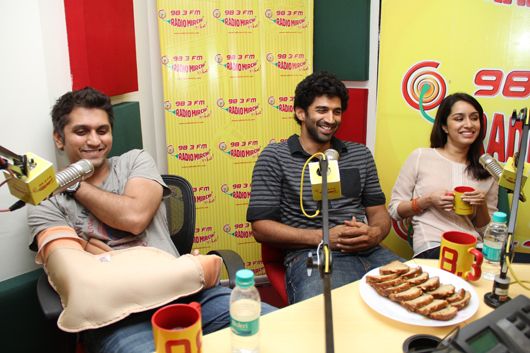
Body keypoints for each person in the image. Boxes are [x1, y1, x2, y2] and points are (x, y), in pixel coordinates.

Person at [27, 87, 275, 353]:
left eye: (102, 130)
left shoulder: (135, 161)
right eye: (81, 131)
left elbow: (133, 218)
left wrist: (76, 187)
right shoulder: (45, 201)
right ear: (59, 138)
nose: (94, 140)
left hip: (187, 295)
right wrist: (186, 268)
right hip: (117, 318)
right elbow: (81, 280)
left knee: (276, 328)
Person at [246, 72, 401, 304]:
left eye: (336, 112)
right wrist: (325, 237)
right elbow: (261, 228)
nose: (331, 119)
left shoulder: (360, 154)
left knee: (417, 298)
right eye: (322, 110)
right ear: (300, 113)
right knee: (327, 317)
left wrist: (375, 233)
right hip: (311, 254)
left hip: (371, 251)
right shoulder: (274, 157)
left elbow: (378, 213)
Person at [388, 93, 498, 259]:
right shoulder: (421, 157)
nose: (469, 124)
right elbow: (394, 210)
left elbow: (487, 232)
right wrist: (427, 201)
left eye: (474, 118)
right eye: (459, 118)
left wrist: (481, 205)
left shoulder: (488, 169)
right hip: (432, 246)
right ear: (444, 126)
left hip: (473, 249)